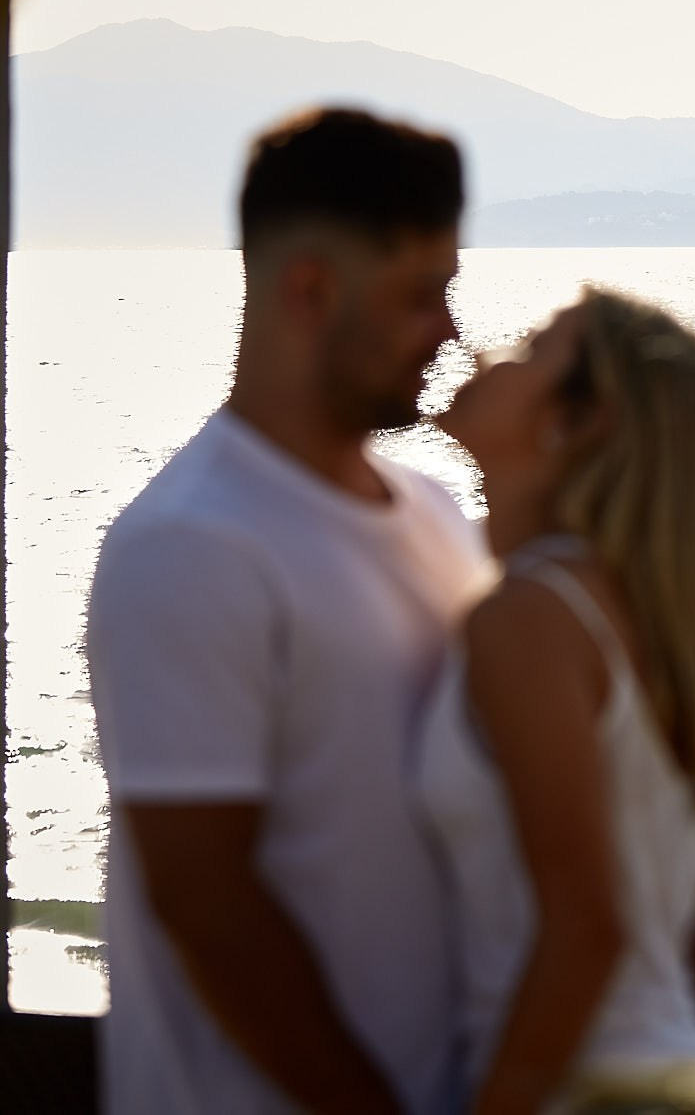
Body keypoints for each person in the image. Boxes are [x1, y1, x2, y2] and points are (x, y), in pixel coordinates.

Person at [85, 108, 491, 1113]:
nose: (448, 330)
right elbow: (206, 903)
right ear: (309, 290)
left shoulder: (438, 516)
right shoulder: (191, 545)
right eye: (420, 295)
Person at [418, 287, 695, 1115]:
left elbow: (588, 928)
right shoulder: (624, 615)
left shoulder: (529, 620)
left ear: (575, 422)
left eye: (532, 346)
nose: (485, 347)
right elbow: (686, 930)